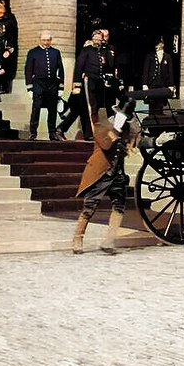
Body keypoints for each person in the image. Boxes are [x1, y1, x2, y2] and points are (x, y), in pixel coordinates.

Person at [71, 96, 139, 255]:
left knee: (119, 206)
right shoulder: (102, 126)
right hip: (101, 173)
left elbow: (132, 145)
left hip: (117, 173)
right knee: (90, 207)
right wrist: (116, 128)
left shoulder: (126, 130)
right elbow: (107, 144)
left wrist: (153, 142)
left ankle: (109, 240)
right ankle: (77, 238)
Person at [24, 31, 65, 140]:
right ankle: (33, 132)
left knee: (52, 109)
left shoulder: (55, 52)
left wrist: (61, 86)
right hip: (38, 83)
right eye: (44, 40)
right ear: (40, 40)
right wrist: (29, 87)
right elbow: (28, 70)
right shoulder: (33, 52)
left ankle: (52, 132)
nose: (46, 42)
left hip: (52, 84)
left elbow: (60, 69)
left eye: (48, 40)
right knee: (36, 108)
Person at [72, 27, 116, 124]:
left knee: (100, 103)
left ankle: (99, 124)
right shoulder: (87, 50)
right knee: (92, 104)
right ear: (92, 39)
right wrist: (77, 83)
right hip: (90, 78)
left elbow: (111, 64)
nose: (98, 41)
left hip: (100, 80)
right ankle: (93, 123)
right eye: (96, 39)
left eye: (100, 39)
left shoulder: (105, 50)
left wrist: (108, 49)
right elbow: (79, 66)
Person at [141, 36, 174, 115]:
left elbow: (170, 72)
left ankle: (159, 122)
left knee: (160, 105)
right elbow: (146, 71)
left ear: (162, 44)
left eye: (158, 44)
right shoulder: (150, 56)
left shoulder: (167, 57)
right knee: (152, 105)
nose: (156, 46)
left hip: (162, 84)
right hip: (152, 84)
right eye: (156, 45)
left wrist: (171, 85)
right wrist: (145, 84)